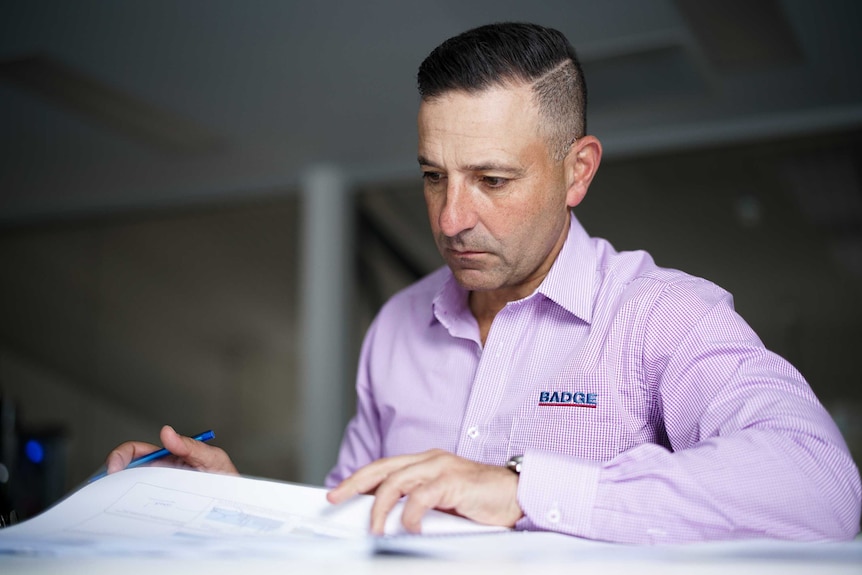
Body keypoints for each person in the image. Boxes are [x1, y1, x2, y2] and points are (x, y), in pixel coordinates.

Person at [106, 22, 861, 544]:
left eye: (492, 179)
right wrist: (227, 502)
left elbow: (819, 485)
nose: (452, 218)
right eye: (434, 177)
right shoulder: (396, 328)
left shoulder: (662, 315)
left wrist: (524, 490)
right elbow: (350, 529)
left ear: (578, 171)